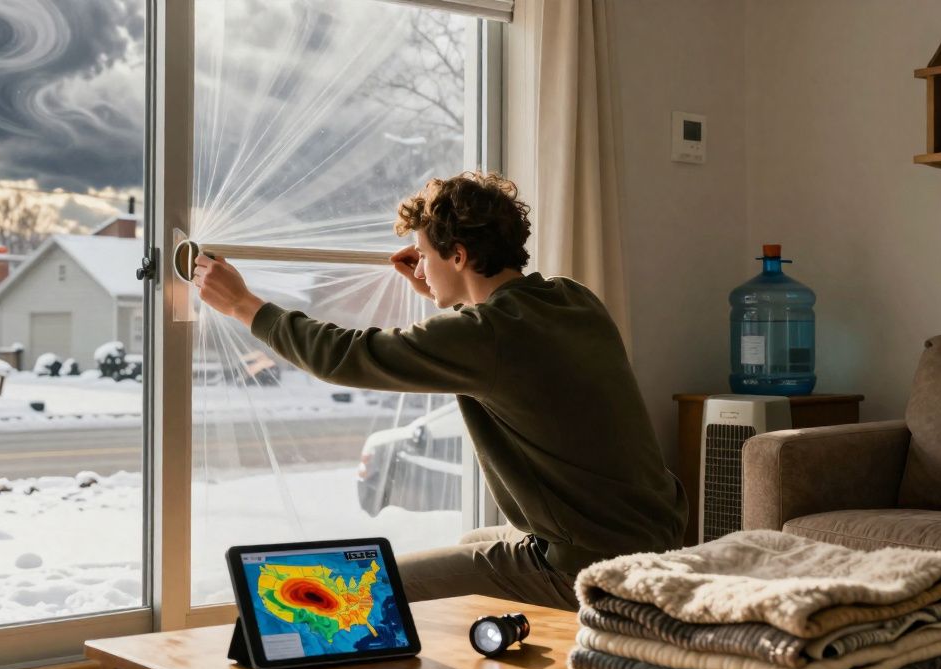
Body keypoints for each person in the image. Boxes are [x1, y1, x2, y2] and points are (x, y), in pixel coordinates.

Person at [193, 171, 686, 611]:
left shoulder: (485, 336)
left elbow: (346, 356)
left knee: (370, 588)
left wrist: (243, 304)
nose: (420, 268)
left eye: (426, 255)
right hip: (653, 535)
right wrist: (444, 289)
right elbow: (497, 350)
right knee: (474, 539)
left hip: (589, 564)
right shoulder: (574, 299)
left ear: (459, 254)